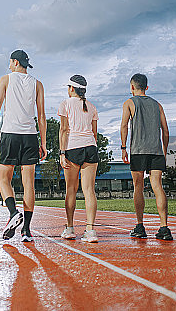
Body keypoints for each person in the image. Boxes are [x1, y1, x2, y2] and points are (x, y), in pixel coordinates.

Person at [0, 49, 46, 242]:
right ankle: (26, 231)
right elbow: (42, 116)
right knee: (28, 184)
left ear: (14, 62)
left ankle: (13, 213)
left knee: (3, 179)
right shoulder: (38, 84)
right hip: (30, 136)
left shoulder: (5, 79)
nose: (9, 66)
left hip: (9, 134)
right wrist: (43, 143)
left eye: (10, 62)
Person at [120, 74, 172, 241]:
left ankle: (140, 226)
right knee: (157, 186)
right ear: (146, 87)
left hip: (138, 150)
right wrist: (164, 150)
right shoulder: (157, 105)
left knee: (138, 186)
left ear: (132, 87)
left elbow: (124, 126)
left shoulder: (129, 103)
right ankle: (164, 228)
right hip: (156, 151)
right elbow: (165, 130)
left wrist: (123, 148)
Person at [58, 75, 99, 243]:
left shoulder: (65, 104)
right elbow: (94, 133)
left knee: (71, 190)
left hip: (72, 148)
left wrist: (62, 153)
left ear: (72, 88)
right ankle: (90, 230)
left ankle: (69, 228)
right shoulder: (92, 106)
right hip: (90, 148)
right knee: (89, 190)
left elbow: (63, 130)